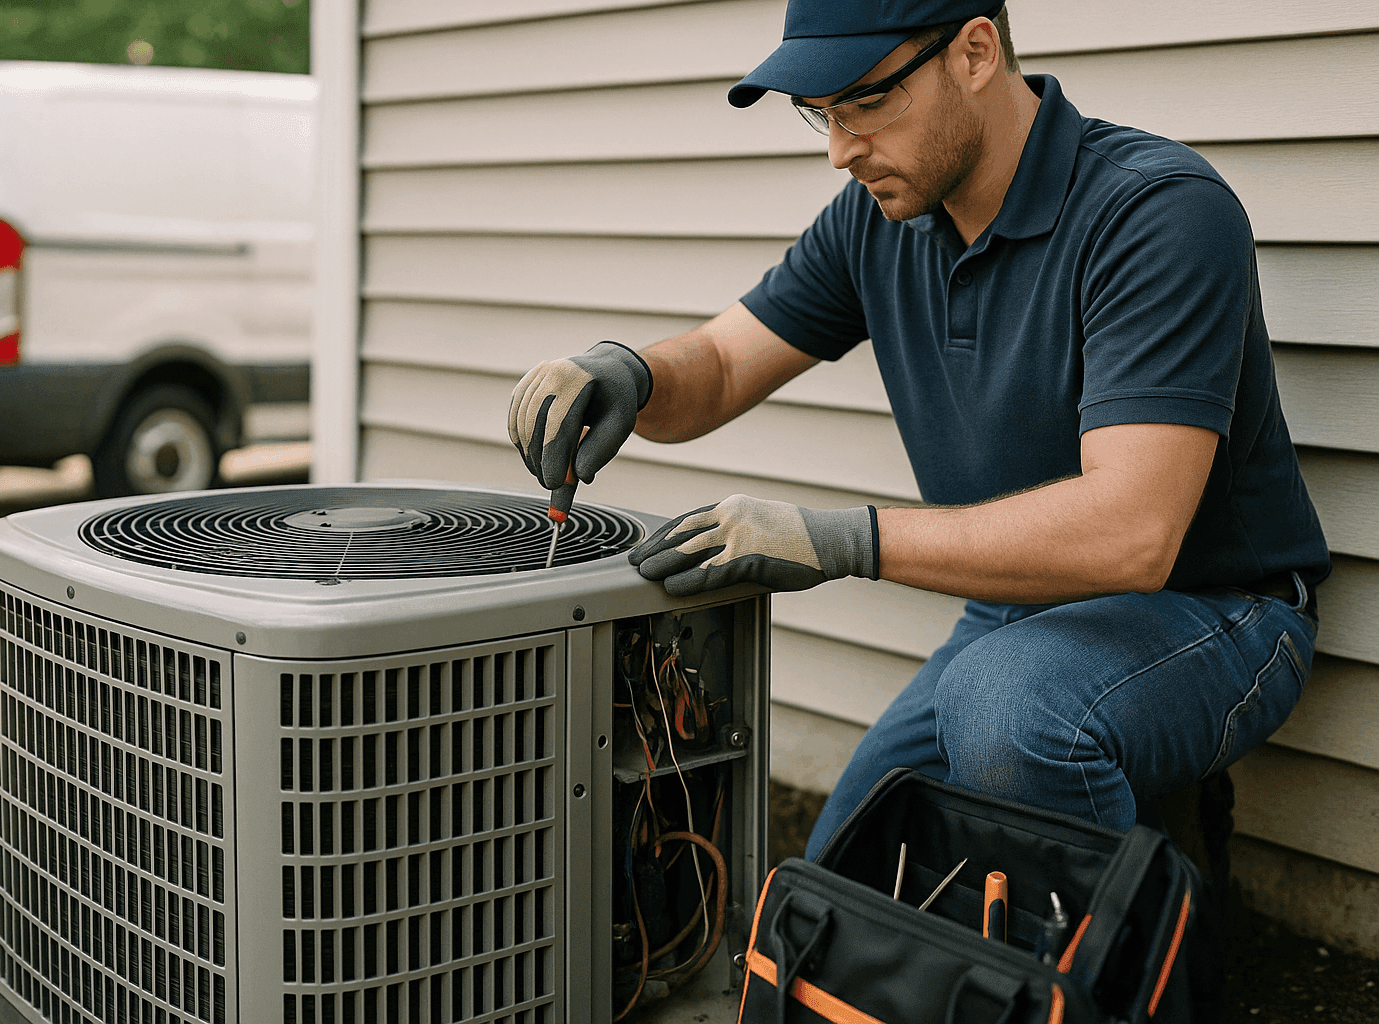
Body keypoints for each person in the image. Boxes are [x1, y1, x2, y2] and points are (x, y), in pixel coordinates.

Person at [506, 0, 1329, 859]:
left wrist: (835, 540)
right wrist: (627, 374)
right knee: (831, 900)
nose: (839, 149)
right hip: (1010, 620)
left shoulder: (1155, 212)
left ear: (975, 51)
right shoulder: (877, 218)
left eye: (863, 102)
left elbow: (1132, 535)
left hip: (1213, 612)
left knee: (1007, 714)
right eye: (820, 114)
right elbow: (718, 366)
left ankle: (1132, 955)